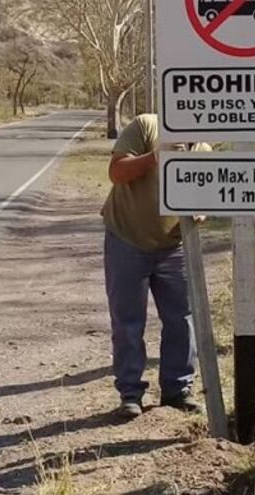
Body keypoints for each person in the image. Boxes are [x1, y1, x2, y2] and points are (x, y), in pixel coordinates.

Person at [102, 114, 203, 420]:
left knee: (182, 319)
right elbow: (116, 172)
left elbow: (205, 195)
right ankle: (130, 394)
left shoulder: (204, 151)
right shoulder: (147, 126)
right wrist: (156, 156)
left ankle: (177, 389)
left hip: (174, 245)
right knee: (128, 322)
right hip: (126, 239)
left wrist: (202, 210)